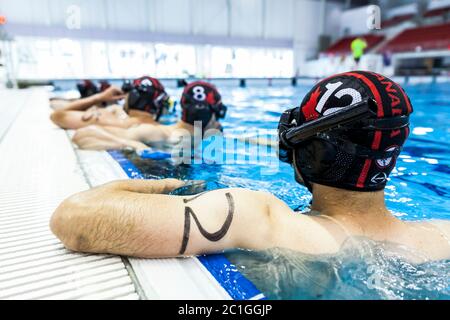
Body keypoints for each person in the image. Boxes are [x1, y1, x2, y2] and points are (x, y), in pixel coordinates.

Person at [50, 71, 450, 263]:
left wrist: (157, 188)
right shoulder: (441, 236)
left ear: (309, 152)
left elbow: (74, 218)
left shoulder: (255, 216)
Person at [71, 80, 227, 151]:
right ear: (213, 114)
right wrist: (131, 144)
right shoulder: (157, 133)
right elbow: (83, 135)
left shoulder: (206, 136)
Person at [50, 76, 171, 130]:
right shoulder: (164, 129)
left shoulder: (111, 121)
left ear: (133, 97)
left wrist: (99, 97)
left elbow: (57, 116)